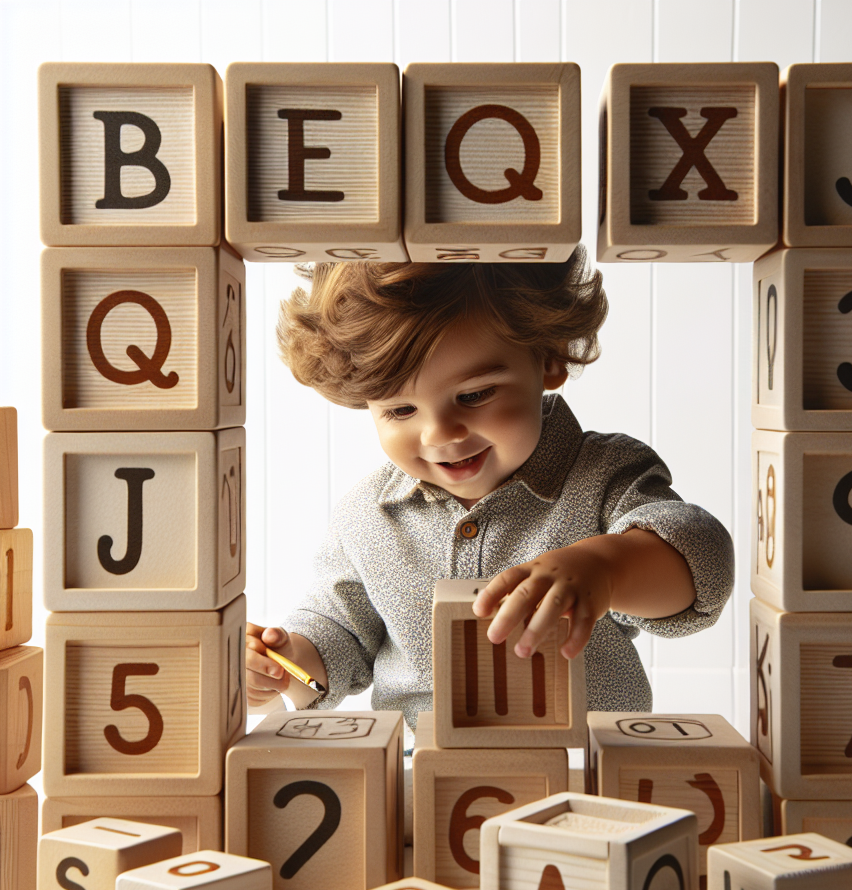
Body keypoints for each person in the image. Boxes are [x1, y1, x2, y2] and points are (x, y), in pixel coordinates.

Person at [245, 246, 733, 730]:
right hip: (431, 775)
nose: (440, 435)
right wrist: (283, 664)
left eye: (474, 395)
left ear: (547, 358)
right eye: (400, 410)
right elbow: (338, 630)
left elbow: (699, 558)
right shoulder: (368, 515)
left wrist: (606, 568)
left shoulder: (603, 475)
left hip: (585, 770)